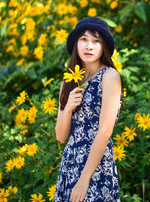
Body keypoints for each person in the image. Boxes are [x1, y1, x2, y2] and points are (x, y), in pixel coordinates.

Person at [54, 16, 123, 202]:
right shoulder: (68, 81)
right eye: (83, 39)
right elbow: (61, 137)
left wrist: (84, 179)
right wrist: (67, 108)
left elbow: (105, 131)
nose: (89, 46)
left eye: (96, 41)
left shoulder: (109, 76)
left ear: (104, 47)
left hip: (97, 166)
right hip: (70, 164)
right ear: (76, 43)